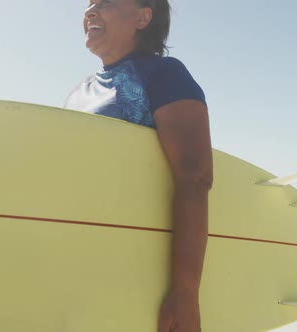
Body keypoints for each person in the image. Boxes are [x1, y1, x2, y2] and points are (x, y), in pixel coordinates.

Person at [65, 1, 213, 331]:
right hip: (86, 268)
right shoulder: (78, 93)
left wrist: (185, 293)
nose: (90, 12)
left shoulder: (163, 74)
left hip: (140, 272)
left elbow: (194, 178)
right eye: (88, 4)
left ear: (143, 17)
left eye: (105, 3)